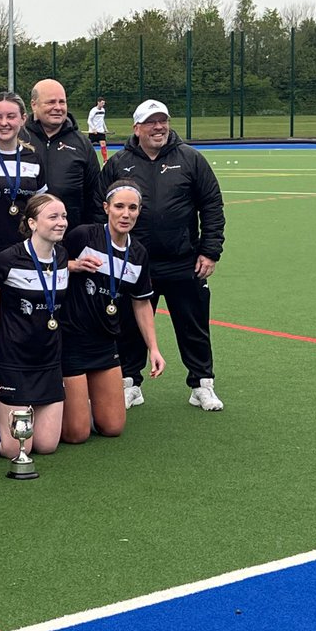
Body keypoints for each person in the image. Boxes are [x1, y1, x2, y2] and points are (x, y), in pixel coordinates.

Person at [96, 99, 225, 411]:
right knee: (128, 326)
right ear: (136, 128)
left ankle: (201, 384)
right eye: (151, 122)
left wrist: (210, 251)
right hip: (134, 263)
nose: (158, 127)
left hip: (184, 260)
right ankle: (130, 383)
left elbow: (211, 206)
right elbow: (100, 207)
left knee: (193, 325)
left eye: (162, 121)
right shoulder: (118, 162)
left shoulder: (191, 159)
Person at [60, 181, 165, 443]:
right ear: (106, 208)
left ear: (139, 211)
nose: (125, 214)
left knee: (113, 427)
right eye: (119, 206)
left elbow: (141, 303)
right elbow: (49, 263)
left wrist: (154, 348)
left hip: (105, 343)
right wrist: (73, 265)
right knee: (76, 434)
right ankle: (60, 407)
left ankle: (84, 404)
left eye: (132, 208)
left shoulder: (138, 253)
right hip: (71, 340)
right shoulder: (84, 235)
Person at [0, 193, 70, 459]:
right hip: (12, 360)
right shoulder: (8, 258)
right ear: (32, 223)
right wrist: (5, 314)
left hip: (48, 359)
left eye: (64, 216)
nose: (61, 222)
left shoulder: (62, 256)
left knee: (46, 445)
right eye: (53, 217)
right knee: (17, 448)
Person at [0, 91, 46, 261]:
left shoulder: (33, 158)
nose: (3, 123)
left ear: (23, 119)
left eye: (11, 116)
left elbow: (41, 206)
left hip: (25, 250)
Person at [21, 79, 100, 231]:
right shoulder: (19, 139)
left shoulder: (82, 144)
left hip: (69, 237)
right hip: (23, 237)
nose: (57, 107)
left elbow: (95, 196)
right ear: (34, 105)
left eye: (62, 102)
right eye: (50, 102)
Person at [87, 97, 109, 162]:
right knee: (89, 146)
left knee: (103, 145)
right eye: (102, 103)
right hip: (93, 132)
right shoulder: (93, 110)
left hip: (101, 131)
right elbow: (89, 121)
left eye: (104, 103)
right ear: (98, 102)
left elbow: (102, 120)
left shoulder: (103, 110)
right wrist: (93, 129)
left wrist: (105, 128)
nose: (103, 105)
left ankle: (105, 160)